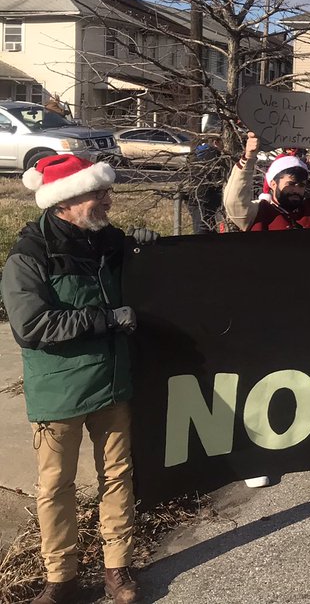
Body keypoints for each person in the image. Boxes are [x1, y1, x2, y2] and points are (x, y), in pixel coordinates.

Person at [3, 154, 157, 604]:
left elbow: (145, 281)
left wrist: (146, 253)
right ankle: (61, 581)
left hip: (112, 383)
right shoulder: (29, 254)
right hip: (59, 391)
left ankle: (117, 569)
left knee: (117, 476)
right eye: (99, 193)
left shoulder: (108, 241)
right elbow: (31, 326)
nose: (108, 200)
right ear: (67, 201)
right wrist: (104, 320)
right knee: (55, 487)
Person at [224, 131, 310, 230]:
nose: (296, 190)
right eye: (290, 184)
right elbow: (234, 201)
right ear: (273, 183)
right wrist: (248, 158)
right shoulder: (256, 213)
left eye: (301, 185)